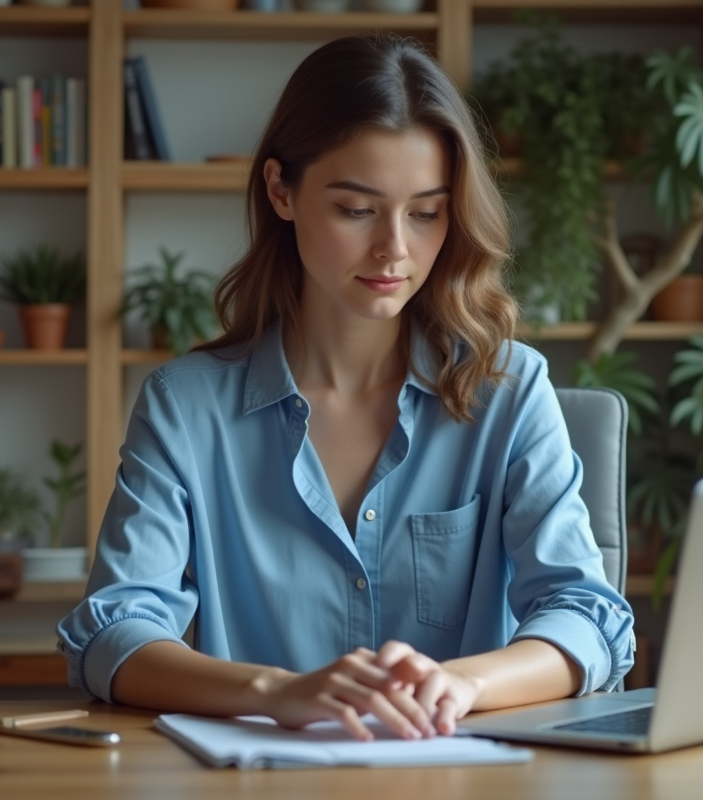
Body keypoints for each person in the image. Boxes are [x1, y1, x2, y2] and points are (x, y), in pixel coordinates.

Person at [57, 34, 634, 743]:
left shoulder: (509, 391)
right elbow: (113, 635)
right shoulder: (185, 408)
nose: (394, 248)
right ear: (281, 191)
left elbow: (587, 617)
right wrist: (277, 691)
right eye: (357, 210)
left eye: (426, 212)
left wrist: (466, 683)